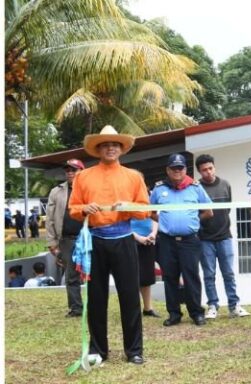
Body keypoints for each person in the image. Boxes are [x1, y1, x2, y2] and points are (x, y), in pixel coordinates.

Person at [68, 125, 150, 365]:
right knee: (96, 297)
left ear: (121, 149)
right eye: (105, 145)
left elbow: (145, 210)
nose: (110, 148)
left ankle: (134, 350)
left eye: (114, 144)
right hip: (94, 241)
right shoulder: (83, 176)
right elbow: (73, 208)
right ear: (98, 149)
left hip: (124, 239)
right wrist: (84, 209)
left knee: (129, 296)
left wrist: (128, 207)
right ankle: (97, 350)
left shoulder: (133, 176)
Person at [150, 153, 213, 328]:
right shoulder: (159, 189)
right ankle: (174, 314)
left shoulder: (195, 188)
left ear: (185, 169)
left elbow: (209, 211)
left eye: (180, 168)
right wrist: (164, 222)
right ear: (167, 170)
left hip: (189, 241)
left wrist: (193, 221)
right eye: (174, 168)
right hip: (167, 241)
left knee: (191, 276)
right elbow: (150, 211)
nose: (177, 171)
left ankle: (196, 313)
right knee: (170, 277)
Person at [195, 154, 251, 319]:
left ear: (214, 167)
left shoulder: (225, 184)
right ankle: (212, 305)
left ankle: (234, 305)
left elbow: (227, 209)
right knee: (209, 274)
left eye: (210, 168)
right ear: (199, 171)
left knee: (228, 273)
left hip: (225, 236)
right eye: (204, 170)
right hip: (205, 238)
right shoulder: (196, 188)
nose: (208, 172)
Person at [46, 158, 86, 317]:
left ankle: (96, 306)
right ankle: (76, 308)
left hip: (89, 238)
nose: (70, 173)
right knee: (71, 276)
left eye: (73, 170)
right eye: (67, 170)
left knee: (94, 273)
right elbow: (49, 219)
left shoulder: (89, 189)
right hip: (67, 239)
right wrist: (52, 243)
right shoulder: (56, 191)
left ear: (82, 171)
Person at [131, 216, 161, 318]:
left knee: (146, 277)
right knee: (131, 277)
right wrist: (139, 238)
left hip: (148, 240)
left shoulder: (149, 205)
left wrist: (153, 234)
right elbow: (122, 224)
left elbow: (155, 218)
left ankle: (148, 308)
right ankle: (133, 309)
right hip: (129, 241)